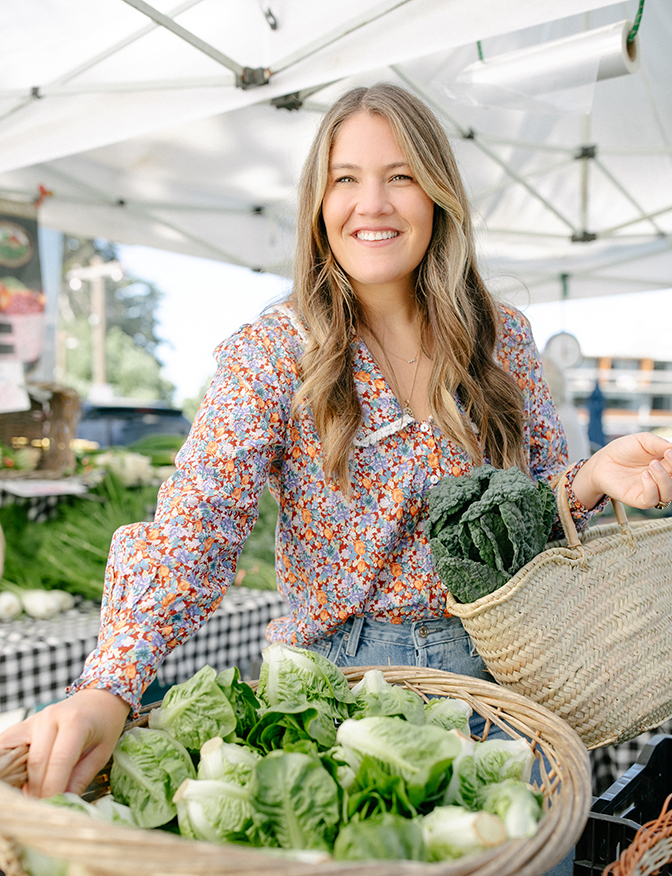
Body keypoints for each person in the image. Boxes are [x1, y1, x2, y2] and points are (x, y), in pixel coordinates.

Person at [2, 84, 671, 799]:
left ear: (438, 195)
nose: (372, 204)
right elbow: (197, 526)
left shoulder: (503, 337)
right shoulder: (271, 353)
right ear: (319, 205)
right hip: (339, 696)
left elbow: (524, 512)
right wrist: (111, 683)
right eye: (346, 179)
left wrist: (591, 478)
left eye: (401, 177)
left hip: (508, 677)